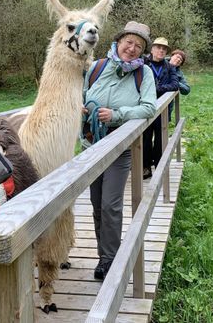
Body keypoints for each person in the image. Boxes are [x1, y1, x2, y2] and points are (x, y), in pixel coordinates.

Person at [81, 21, 157, 280]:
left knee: (111, 204)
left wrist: (116, 115)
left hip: (119, 147)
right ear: (119, 41)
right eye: (129, 42)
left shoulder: (143, 74)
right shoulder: (97, 67)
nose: (132, 48)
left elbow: (148, 108)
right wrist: (81, 109)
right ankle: (104, 253)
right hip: (92, 146)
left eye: (138, 45)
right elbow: (81, 96)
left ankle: (109, 259)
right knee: (96, 204)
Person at [142, 37, 179, 178]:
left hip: (163, 110)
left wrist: (158, 88)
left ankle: (159, 167)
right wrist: (154, 90)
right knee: (145, 139)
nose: (161, 51)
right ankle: (145, 167)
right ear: (152, 49)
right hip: (146, 107)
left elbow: (175, 85)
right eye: (158, 47)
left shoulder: (169, 67)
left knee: (160, 139)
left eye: (164, 49)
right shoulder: (143, 63)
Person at [168, 49, 190, 121]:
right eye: (177, 56)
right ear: (172, 56)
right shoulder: (160, 62)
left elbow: (186, 90)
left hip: (168, 105)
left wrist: (175, 82)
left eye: (180, 60)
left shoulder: (179, 74)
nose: (178, 60)